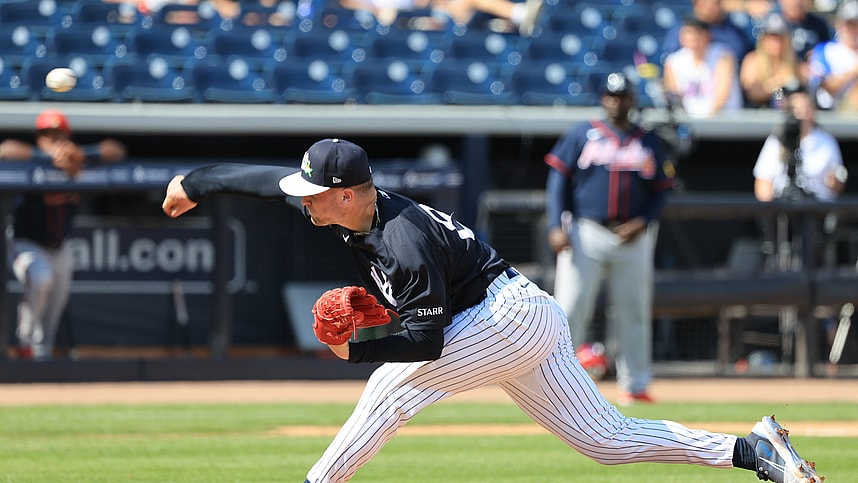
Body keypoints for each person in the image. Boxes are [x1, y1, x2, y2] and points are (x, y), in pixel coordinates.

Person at [162, 137, 823, 483]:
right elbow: (255, 179)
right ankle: (750, 449)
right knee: (607, 441)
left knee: (390, 388)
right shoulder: (344, 206)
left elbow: (422, 342)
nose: (304, 199)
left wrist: (354, 347)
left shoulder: (403, 235)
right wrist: (193, 184)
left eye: (316, 192)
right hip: (516, 316)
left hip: (504, 317)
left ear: (348, 192)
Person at [545, 72, 674, 405]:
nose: (615, 101)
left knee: (634, 310)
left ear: (632, 100)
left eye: (621, 96)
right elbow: (558, 179)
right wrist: (555, 224)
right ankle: (557, 382)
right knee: (570, 309)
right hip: (585, 230)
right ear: (602, 99)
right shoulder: (583, 133)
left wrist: (643, 221)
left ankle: (635, 384)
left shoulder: (647, 140)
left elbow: (661, 191)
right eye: (609, 96)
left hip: (631, 236)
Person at [0, 109, 127, 360]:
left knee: (58, 296)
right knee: (40, 278)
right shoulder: (30, 158)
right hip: (26, 241)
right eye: (47, 134)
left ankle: (43, 355)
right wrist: (46, 157)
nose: (54, 139)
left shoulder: (77, 159)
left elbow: (117, 150)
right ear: (38, 137)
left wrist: (82, 154)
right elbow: (4, 149)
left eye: (59, 134)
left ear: (68, 136)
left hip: (60, 245)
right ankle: (25, 344)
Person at [753, 83, 846, 201]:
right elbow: (762, 183)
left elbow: (838, 181)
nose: (803, 115)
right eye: (798, 109)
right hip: (782, 209)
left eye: (807, 108)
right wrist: (770, 212)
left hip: (817, 208)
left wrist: (835, 182)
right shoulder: (777, 140)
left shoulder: (827, 141)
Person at [663, 16, 745, 118]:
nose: (690, 37)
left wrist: (705, 122)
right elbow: (674, 97)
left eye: (695, 32)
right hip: (690, 125)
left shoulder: (723, 57)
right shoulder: (673, 61)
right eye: (687, 32)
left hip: (725, 122)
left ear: (707, 35)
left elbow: (722, 97)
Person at [661, 0, 754, 66]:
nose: (721, 6)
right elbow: (671, 60)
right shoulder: (683, 27)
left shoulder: (729, 26)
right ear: (698, 3)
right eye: (717, 2)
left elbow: (742, 51)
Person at [740, 12, 804, 108]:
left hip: (786, 113)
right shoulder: (752, 60)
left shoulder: (793, 62)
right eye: (772, 38)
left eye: (780, 38)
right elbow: (752, 93)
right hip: (758, 113)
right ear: (763, 39)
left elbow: (799, 91)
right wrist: (777, 86)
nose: (776, 43)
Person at [808, 0, 858, 110]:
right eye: (849, 24)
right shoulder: (825, 50)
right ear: (839, 24)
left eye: (856, 24)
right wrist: (853, 72)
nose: (853, 30)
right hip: (833, 113)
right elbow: (825, 86)